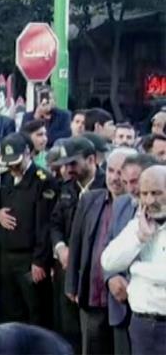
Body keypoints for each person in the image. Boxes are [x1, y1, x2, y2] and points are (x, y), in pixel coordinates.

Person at [65, 147, 136, 354]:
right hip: (92, 295)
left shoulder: (138, 206)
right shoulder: (90, 199)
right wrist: (72, 284)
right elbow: (76, 241)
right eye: (111, 171)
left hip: (123, 300)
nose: (115, 178)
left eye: (121, 172)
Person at [0, 133, 57, 327]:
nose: (13, 167)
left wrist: (39, 260)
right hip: (6, 256)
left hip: (30, 258)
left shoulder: (43, 180)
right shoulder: (4, 179)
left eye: (16, 162)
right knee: (9, 311)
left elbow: (45, 224)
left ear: (28, 153)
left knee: (36, 312)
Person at [101, 165, 166, 355]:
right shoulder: (138, 224)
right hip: (142, 327)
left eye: (157, 193)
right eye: (144, 194)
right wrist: (139, 237)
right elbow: (108, 262)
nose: (149, 200)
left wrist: (136, 269)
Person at [49, 137, 105, 348]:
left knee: (93, 334)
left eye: (73, 163)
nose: (68, 169)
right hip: (66, 268)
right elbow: (54, 223)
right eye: (65, 164)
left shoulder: (105, 186)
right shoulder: (66, 188)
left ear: (91, 159)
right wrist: (60, 248)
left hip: (94, 273)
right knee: (67, 327)